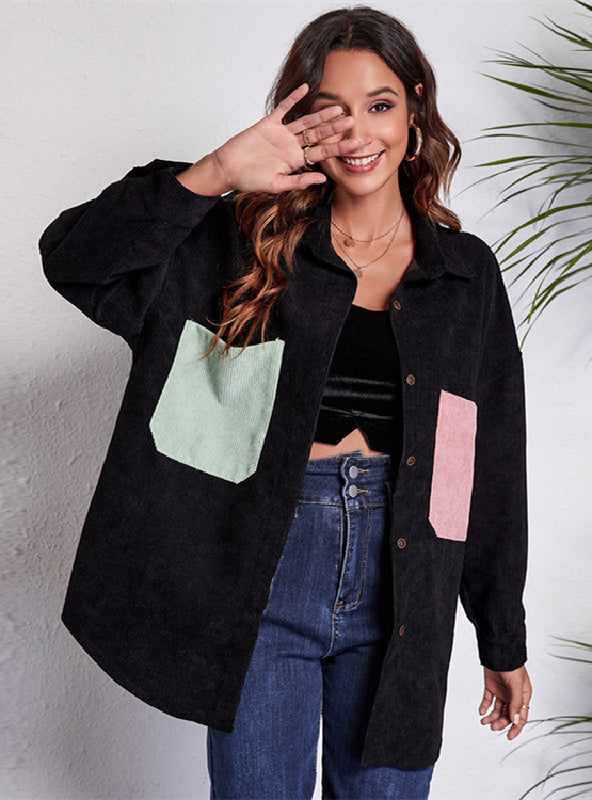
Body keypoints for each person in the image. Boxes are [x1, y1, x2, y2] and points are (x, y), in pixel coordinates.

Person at [39, 6, 532, 799]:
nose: (359, 132)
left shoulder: (464, 275)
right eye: (333, 111)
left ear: (414, 110)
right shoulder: (234, 243)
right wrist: (213, 173)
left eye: (379, 104)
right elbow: (74, 261)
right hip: (262, 569)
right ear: (301, 122)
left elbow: (489, 462)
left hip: (406, 588)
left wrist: (501, 636)